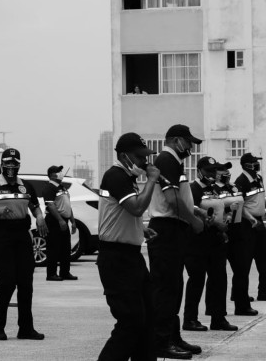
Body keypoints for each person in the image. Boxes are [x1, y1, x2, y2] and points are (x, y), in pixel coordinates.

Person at [96, 132, 159, 361]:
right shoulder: (116, 176)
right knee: (130, 321)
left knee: (148, 318)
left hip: (131, 257)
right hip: (116, 259)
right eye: (140, 156)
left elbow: (116, 213)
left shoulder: (127, 177)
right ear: (124, 156)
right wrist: (151, 180)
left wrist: (138, 229)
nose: (145, 161)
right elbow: (135, 208)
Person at [0, 148, 48, 341]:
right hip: (1, 237)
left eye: (14, 164)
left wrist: (39, 217)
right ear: (2, 164)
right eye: (7, 163)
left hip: (22, 236)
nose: (11, 167)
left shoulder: (26, 186)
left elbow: (34, 207)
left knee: (26, 284)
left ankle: (26, 328)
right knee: (7, 283)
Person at [148, 124, 206, 360]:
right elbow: (171, 201)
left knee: (174, 287)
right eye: (188, 142)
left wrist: (194, 211)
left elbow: (175, 198)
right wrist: (193, 220)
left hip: (172, 227)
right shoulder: (167, 160)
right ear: (176, 140)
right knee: (167, 289)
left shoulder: (171, 161)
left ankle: (173, 336)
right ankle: (161, 342)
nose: (190, 147)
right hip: (167, 229)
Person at [183, 157, 238, 333]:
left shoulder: (214, 189)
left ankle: (218, 318)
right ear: (199, 171)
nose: (212, 174)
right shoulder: (193, 188)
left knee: (219, 280)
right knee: (197, 280)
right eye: (208, 171)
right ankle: (190, 319)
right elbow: (191, 210)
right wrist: (215, 223)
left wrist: (227, 218)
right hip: (198, 241)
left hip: (216, 240)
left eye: (214, 171)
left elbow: (221, 208)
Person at [235, 153, 266, 304]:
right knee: (245, 261)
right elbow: (238, 205)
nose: (257, 164)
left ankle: (265, 290)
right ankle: (239, 293)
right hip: (247, 224)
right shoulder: (241, 181)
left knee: (264, 258)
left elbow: (256, 197)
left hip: (259, 222)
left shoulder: (258, 178)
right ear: (246, 165)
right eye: (254, 162)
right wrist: (250, 218)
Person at [43, 164, 78, 281]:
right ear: (52, 175)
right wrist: (60, 220)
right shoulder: (49, 188)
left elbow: (68, 205)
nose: (61, 173)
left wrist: (72, 221)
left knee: (65, 248)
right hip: (54, 221)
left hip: (64, 220)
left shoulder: (62, 187)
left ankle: (65, 272)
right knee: (53, 248)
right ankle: (51, 274)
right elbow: (51, 206)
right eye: (58, 171)